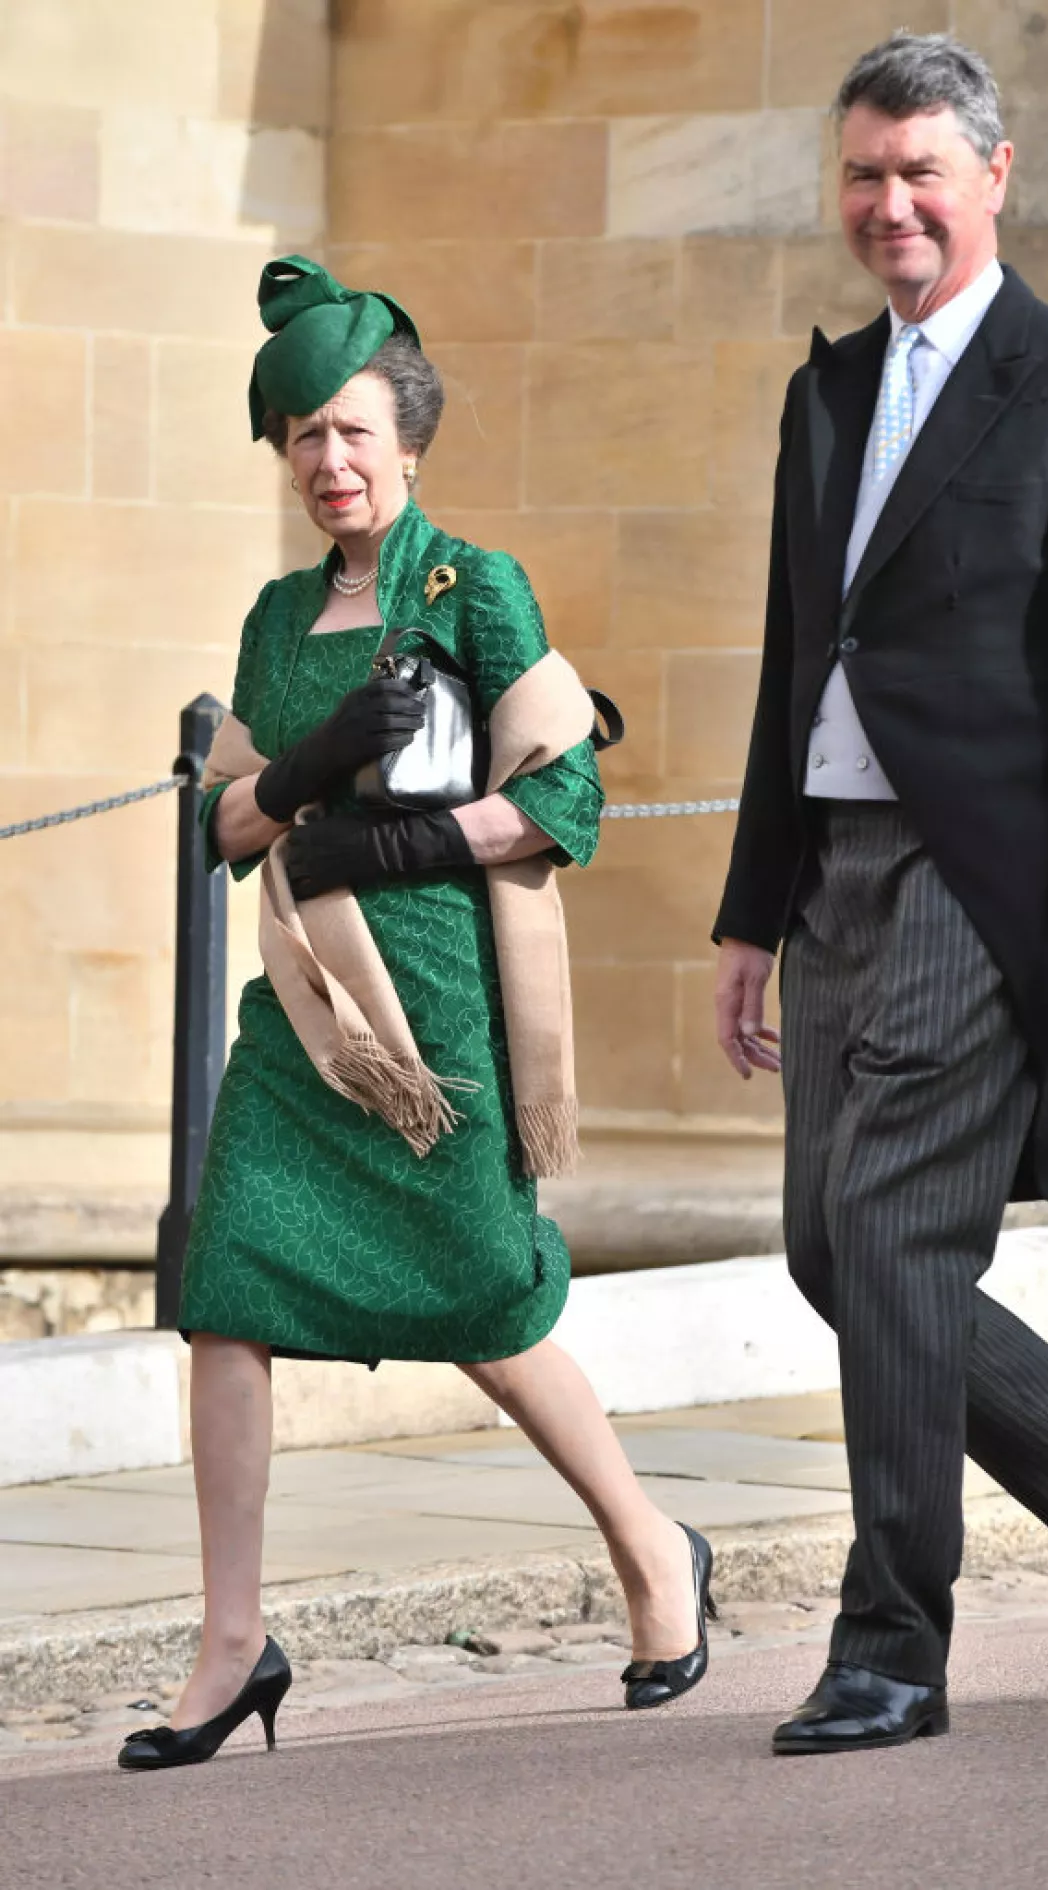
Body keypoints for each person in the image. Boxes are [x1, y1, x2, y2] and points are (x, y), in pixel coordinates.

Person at [119, 257, 714, 1771]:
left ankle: (653, 1548)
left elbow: (564, 799)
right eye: (304, 436)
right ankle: (234, 1640)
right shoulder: (270, 619)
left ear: (410, 436)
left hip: (444, 1010)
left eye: (355, 430)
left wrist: (402, 838)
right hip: (311, 1011)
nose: (331, 461)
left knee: (488, 1308)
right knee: (227, 1286)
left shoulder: (478, 587)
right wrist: (314, 759)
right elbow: (224, 825)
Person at [714, 33, 1048, 1756]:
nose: (891, 202)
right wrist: (749, 908)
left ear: (994, 178)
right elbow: (797, 656)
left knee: (900, 1238)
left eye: (923, 169)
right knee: (835, 1252)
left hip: (973, 882)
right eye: (865, 172)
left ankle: (892, 1646)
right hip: (833, 872)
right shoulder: (827, 393)